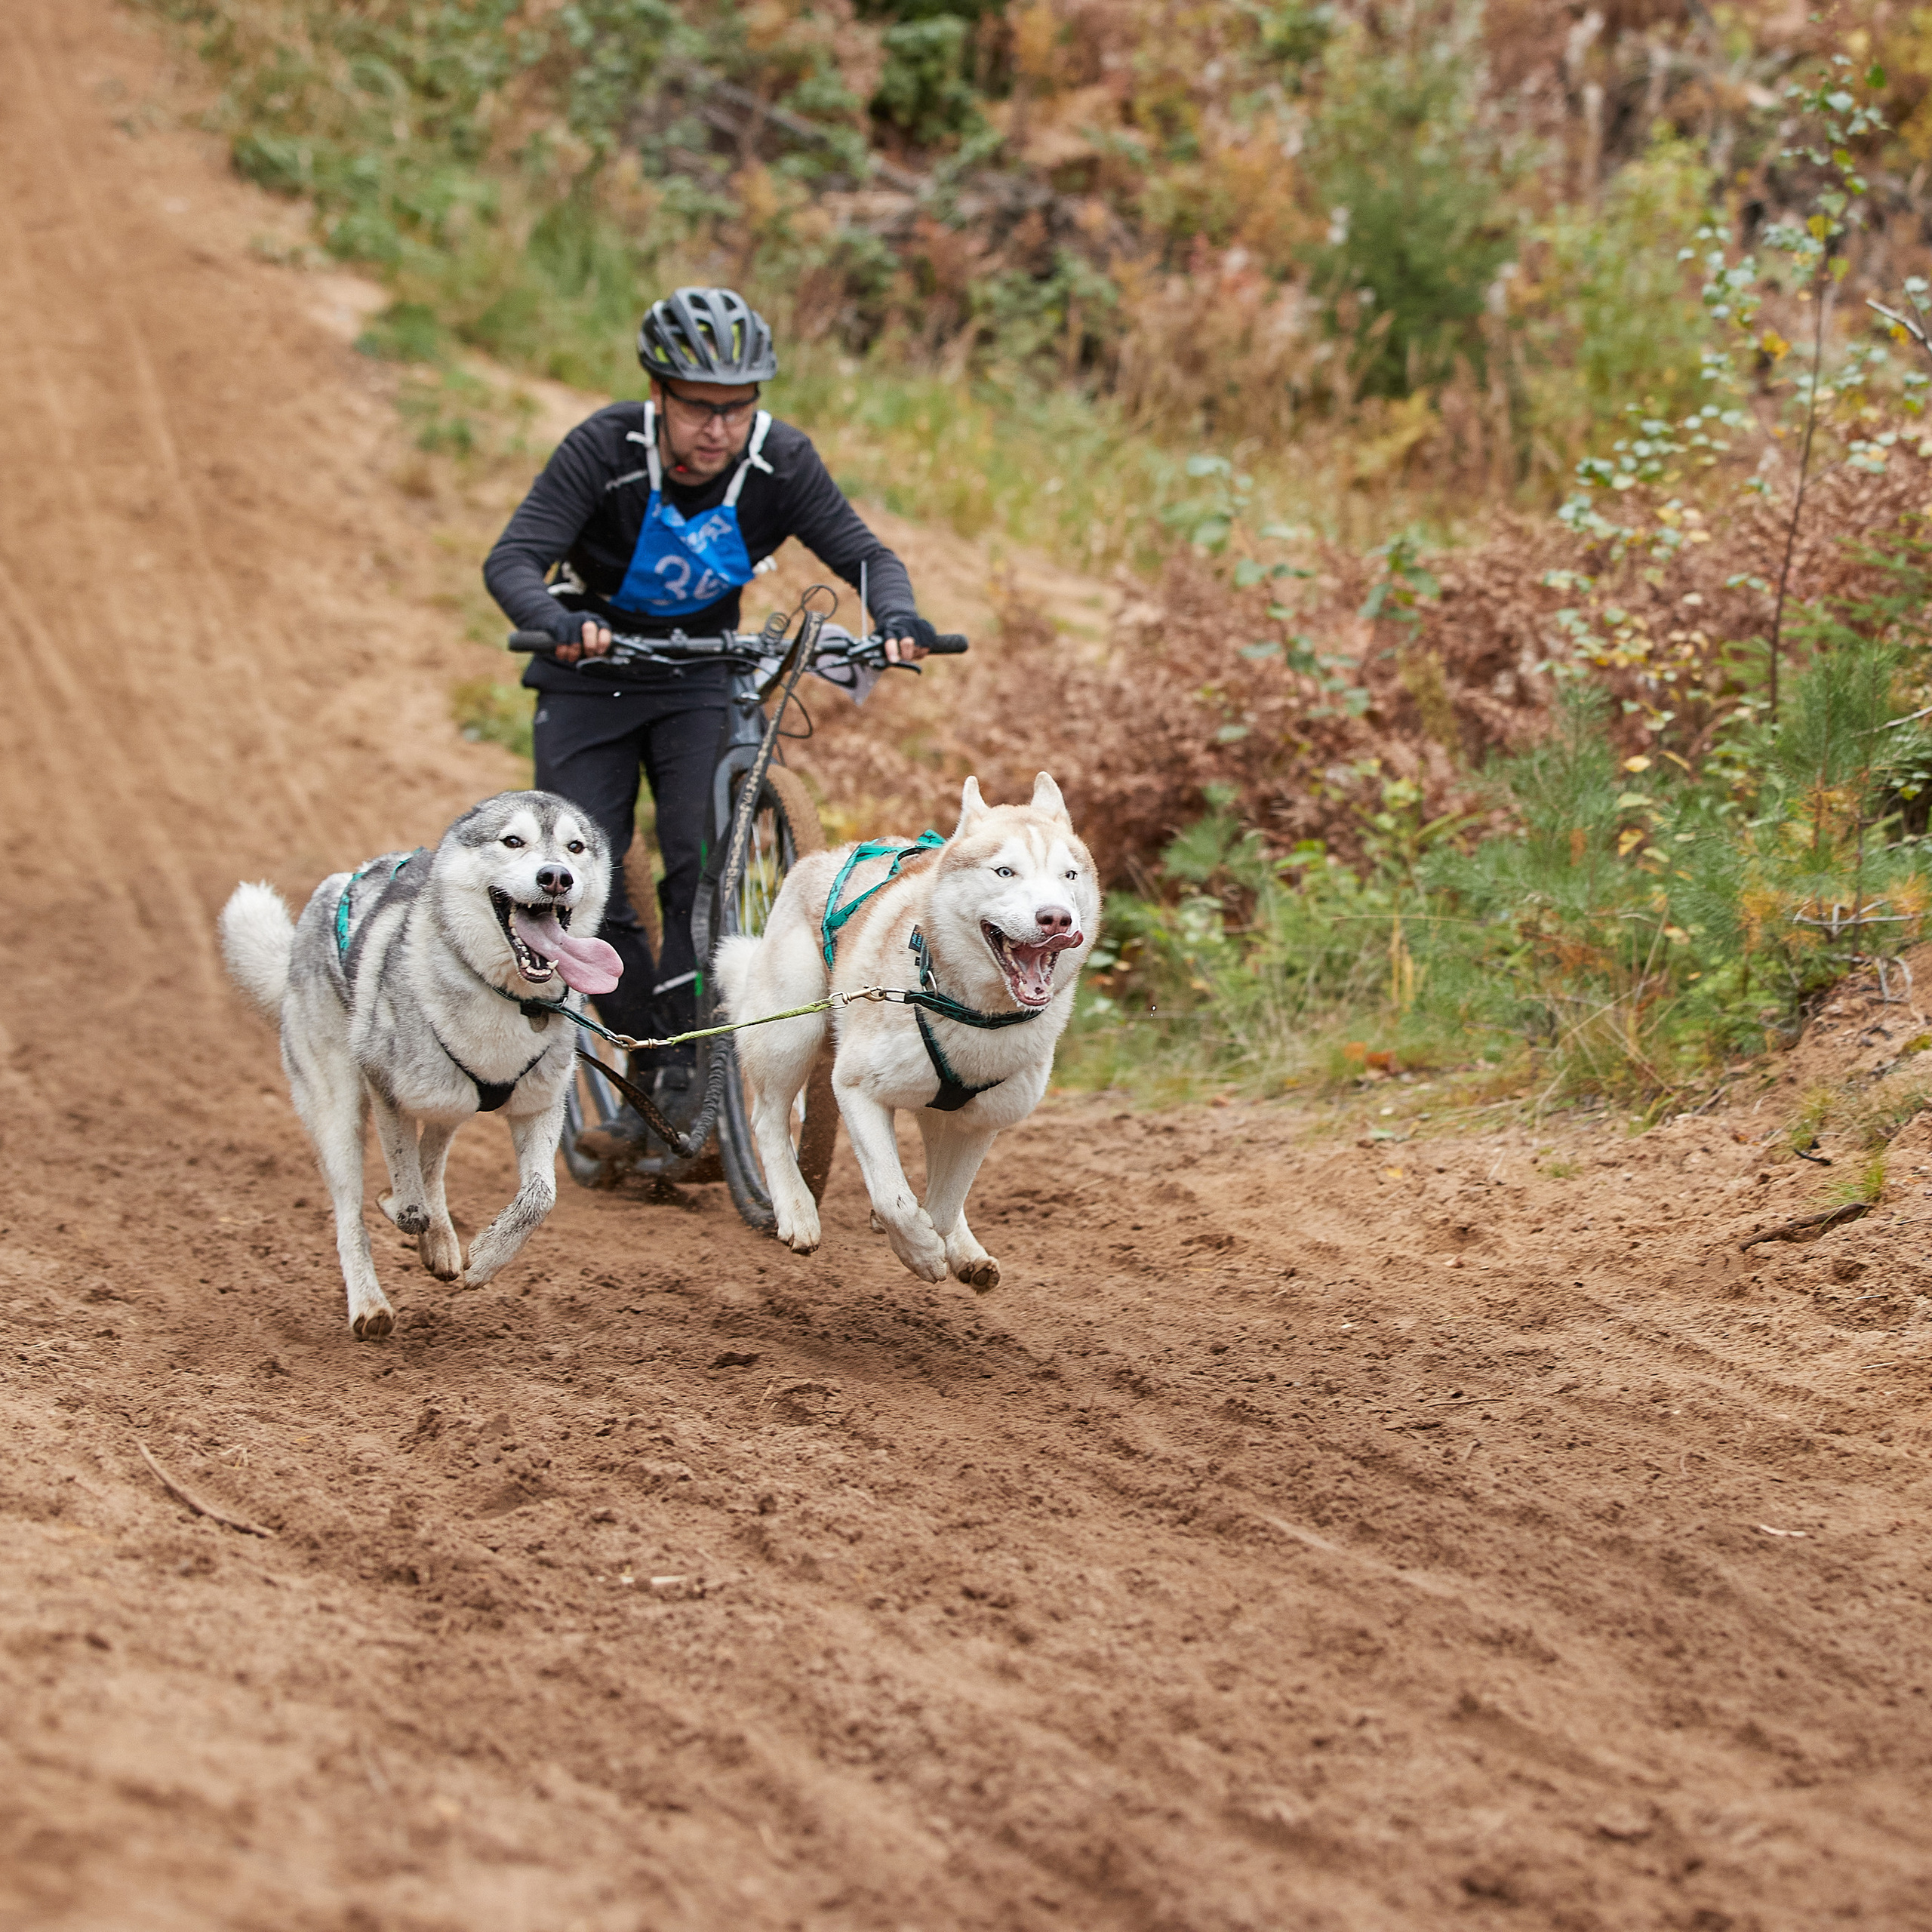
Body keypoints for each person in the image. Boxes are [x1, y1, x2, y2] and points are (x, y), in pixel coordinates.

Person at [483, 286, 937, 1160]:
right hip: (591, 679)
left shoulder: (777, 462)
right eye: (698, 407)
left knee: (703, 858)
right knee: (590, 871)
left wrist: (897, 615)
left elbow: (866, 552)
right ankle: (647, 1063)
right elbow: (512, 556)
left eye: (736, 408)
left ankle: (705, 1057)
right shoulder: (603, 450)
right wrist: (553, 617)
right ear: (658, 396)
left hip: (700, 676)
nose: (717, 428)